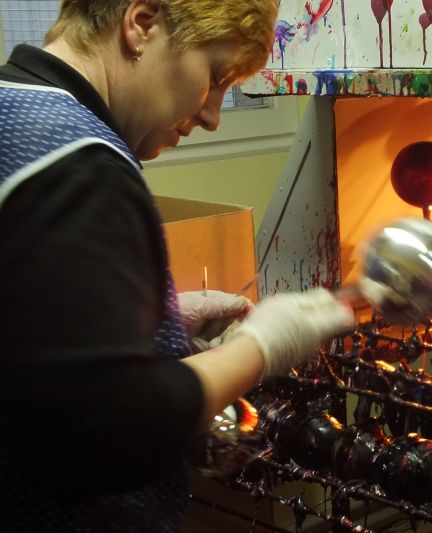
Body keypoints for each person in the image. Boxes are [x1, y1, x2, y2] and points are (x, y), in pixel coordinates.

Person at [0, 1, 355, 531]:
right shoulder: (79, 166)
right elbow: (110, 432)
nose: (213, 117)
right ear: (142, 24)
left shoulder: (14, 104)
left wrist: (150, 322)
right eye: (215, 77)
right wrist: (259, 347)